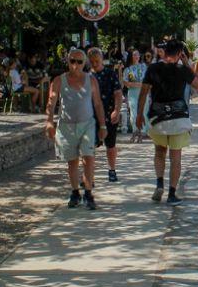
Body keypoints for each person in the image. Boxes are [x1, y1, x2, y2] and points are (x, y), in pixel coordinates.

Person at [136, 39, 198, 204]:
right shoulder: (182, 69)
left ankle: (159, 184)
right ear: (179, 54)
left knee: (159, 152)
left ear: (164, 52)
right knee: (175, 157)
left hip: (158, 119)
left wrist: (139, 115)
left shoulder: (153, 68)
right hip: (179, 119)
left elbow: (143, 93)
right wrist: (187, 64)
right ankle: (172, 194)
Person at [46, 49, 108, 210]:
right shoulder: (59, 80)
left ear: (84, 63)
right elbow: (51, 103)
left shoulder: (91, 80)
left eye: (79, 61)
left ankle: (88, 193)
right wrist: (49, 122)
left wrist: (102, 125)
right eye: (72, 61)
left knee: (88, 158)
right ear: (68, 62)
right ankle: (75, 192)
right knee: (72, 161)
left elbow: (98, 104)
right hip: (67, 125)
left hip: (87, 124)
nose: (76, 65)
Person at [87, 47, 123, 183]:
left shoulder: (110, 74)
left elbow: (118, 93)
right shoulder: (86, 76)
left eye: (97, 61)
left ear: (102, 59)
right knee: (89, 147)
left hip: (108, 114)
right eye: (92, 61)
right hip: (90, 116)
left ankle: (112, 170)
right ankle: (89, 175)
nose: (94, 64)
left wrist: (117, 110)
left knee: (110, 144)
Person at [122, 49, 147, 135]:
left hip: (144, 92)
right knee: (133, 111)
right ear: (131, 57)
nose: (137, 56)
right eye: (134, 55)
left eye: (138, 55)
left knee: (144, 110)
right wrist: (138, 84)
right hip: (133, 93)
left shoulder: (144, 66)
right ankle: (136, 130)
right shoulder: (128, 69)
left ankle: (144, 130)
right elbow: (126, 83)